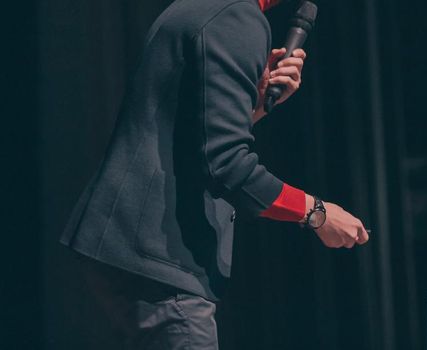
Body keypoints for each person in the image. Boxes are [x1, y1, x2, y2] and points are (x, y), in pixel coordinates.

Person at [59, 0, 369, 348]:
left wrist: (258, 103)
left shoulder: (207, 7)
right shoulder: (238, 18)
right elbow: (227, 164)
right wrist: (316, 213)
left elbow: (192, 135)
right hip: (159, 260)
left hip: (126, 252)